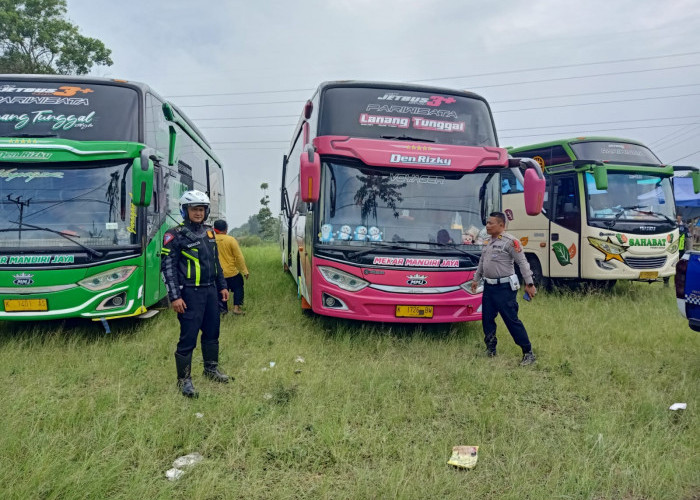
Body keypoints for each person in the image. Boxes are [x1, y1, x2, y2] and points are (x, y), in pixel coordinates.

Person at [161, 190, 230, 398]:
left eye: (201, 209)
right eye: (194, 209)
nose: (198, 213)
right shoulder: (174, 235)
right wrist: (175, 296)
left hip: (211, 292)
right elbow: (168, 268)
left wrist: (222, 286)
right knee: (188, 337)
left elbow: (215, 262)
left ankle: (211, 369)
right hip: (189, 294)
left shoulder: (210, 233)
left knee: (212, 332)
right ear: (185, 211)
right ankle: (184, 380)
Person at [471, 212, 537, 365]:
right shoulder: (487, 242)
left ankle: (528, 352)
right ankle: (490, 349)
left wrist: (530, 283)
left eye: (491, 223)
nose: (487, 226)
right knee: (487, 319)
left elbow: (522, 263)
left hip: (505, 288)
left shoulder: (511, 242)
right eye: (487, 223)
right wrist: (476, 279)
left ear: (502, 225)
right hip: (489, 287)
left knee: (511, 320)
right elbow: (482, 262)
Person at [213, 219, 249, 315]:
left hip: (217, 274)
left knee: (220, 290)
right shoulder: (231, 240)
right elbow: (239, 257)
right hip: (231, 273)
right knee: (238, 286)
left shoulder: (211, 240)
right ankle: (236, 308)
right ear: (226, 229)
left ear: (214, 229)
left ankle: (223, 310)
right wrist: (244, 271)